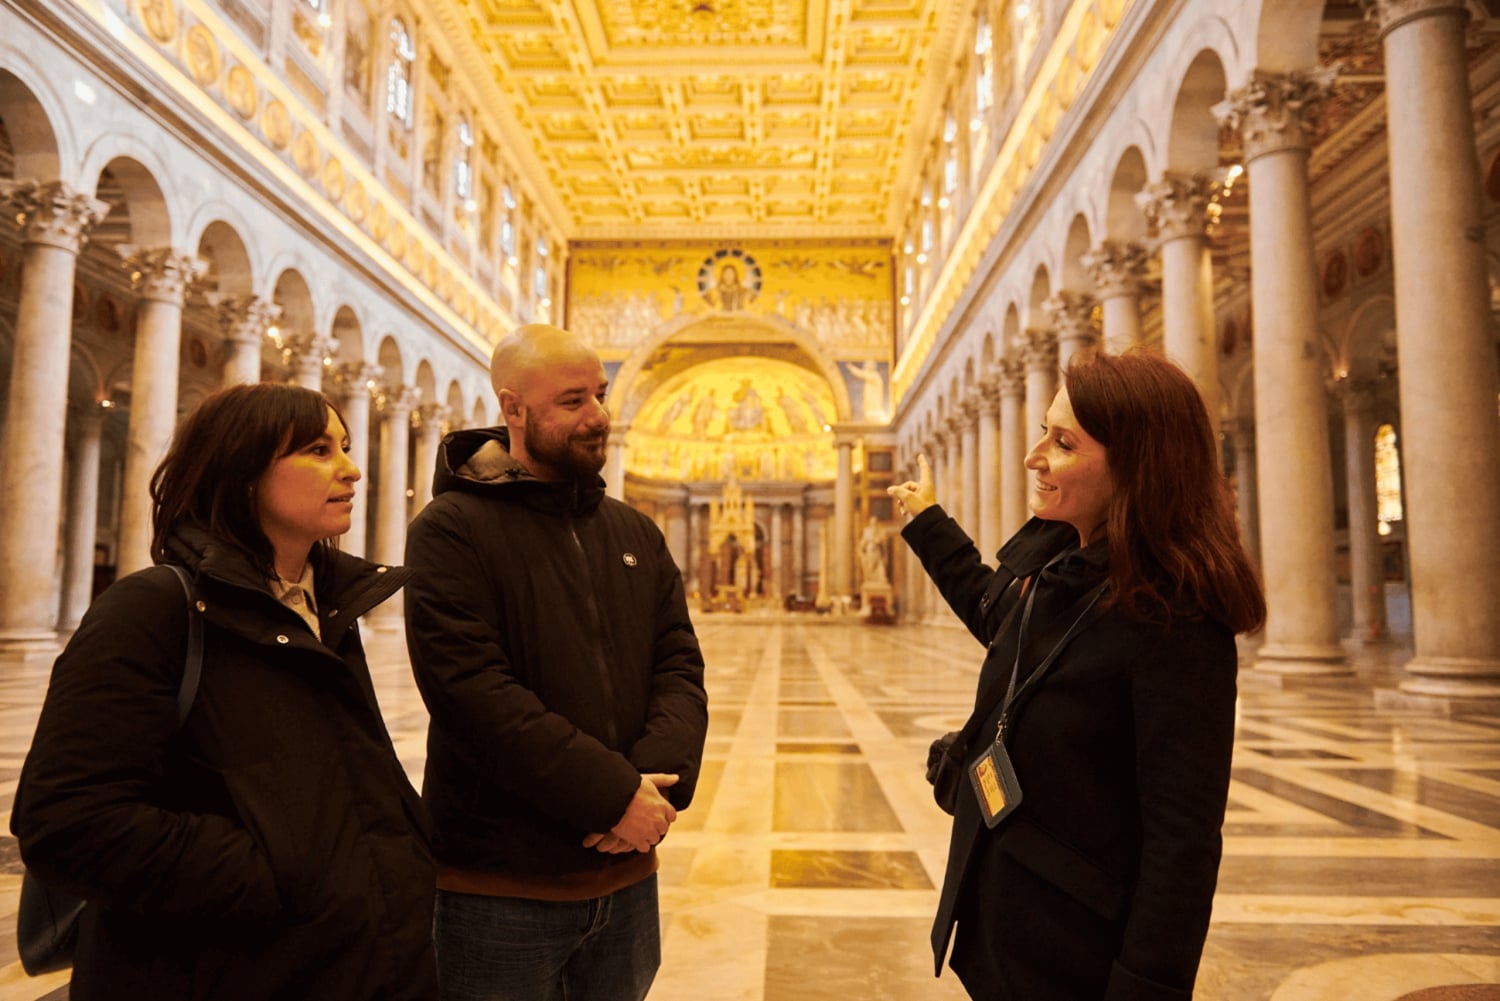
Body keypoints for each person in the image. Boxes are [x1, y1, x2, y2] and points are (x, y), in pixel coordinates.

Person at [11, 382, 438, 1000]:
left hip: (350, 968)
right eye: (318, 450)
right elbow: (67, 823)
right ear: (241, 469)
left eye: (344, 447)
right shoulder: (152, 609)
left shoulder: (325, 611)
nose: (351, 469)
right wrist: (276, 876)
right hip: (222, 971)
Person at [888, 350, 1265, 1000]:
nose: (1035, 455)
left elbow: (1183, 842)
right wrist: (928, 523)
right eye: (1044, 431)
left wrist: (1145, 987)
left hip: (1075, 954)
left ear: (1137, 463)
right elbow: (997, 617)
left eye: (1063, 442)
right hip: (1004, 920)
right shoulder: (1069, 570)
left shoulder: (1176, 619)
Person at [403, 323, 710, 1001]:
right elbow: (473, 694)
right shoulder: (451, 529)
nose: (599, 416)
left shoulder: (633, 531)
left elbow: (679, 666)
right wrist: (612, 795)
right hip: (500, 890)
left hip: (627, 878)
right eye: (573, 401)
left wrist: (654, 789)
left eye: (599, 395)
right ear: (513, 409)